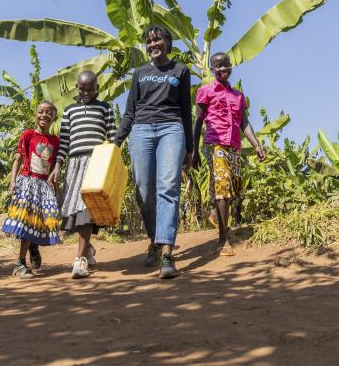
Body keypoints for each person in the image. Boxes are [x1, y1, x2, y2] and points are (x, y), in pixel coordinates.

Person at [114, 25, 193, 279]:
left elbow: (185, 110)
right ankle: (155, 241)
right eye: (149, 41)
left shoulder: (180, 70)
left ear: (168, 43)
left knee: (168, 187)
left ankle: (167, 253)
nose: (153, 44)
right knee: (144, 191)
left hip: (171, 128)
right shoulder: (140, 73)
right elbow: (129, 112)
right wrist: (114, 143)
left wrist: (190, 148)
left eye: (158, 39)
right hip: (141, 131)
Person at [193, 52, 265, 256]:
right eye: (218, 66)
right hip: (214, 144)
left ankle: (216, 214)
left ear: (231, 66)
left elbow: (244, 122)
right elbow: (198, 121)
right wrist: (193, 151)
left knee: (232, 187)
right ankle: (223, 239)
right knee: (223, 186)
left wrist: (257, 144)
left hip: (233, 145)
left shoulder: (238, 96)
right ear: (212, 69)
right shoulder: (205, 91)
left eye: (226, 65)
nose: (223, 69)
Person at [48, 71, 116, 279]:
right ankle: (88, 249)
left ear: (97, 87)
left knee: (86, 209)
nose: (87, 92)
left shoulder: (106, 109)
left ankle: (80, 260)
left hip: (96, 163)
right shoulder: (69, 111)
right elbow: (65, 143)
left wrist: (111, 169)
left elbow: (113, 139)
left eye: (91, 89)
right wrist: (58, 166)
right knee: (77, 211)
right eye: (82, 89)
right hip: (74, 164)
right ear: (77, 87)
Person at [2, 101, 60, 278]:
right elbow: (18, 160)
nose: (44, 115)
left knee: (40, 222)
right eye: (41, 112)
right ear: (35, 116)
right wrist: (12, 183)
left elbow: (54, 169)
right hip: (27, 182)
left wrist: (57, 191)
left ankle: (33, 247)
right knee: (27, 222)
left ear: (54, 117)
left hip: (44, 186)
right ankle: (19, 264)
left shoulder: (55, 141)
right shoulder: (27, 135)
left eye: (49, 112)